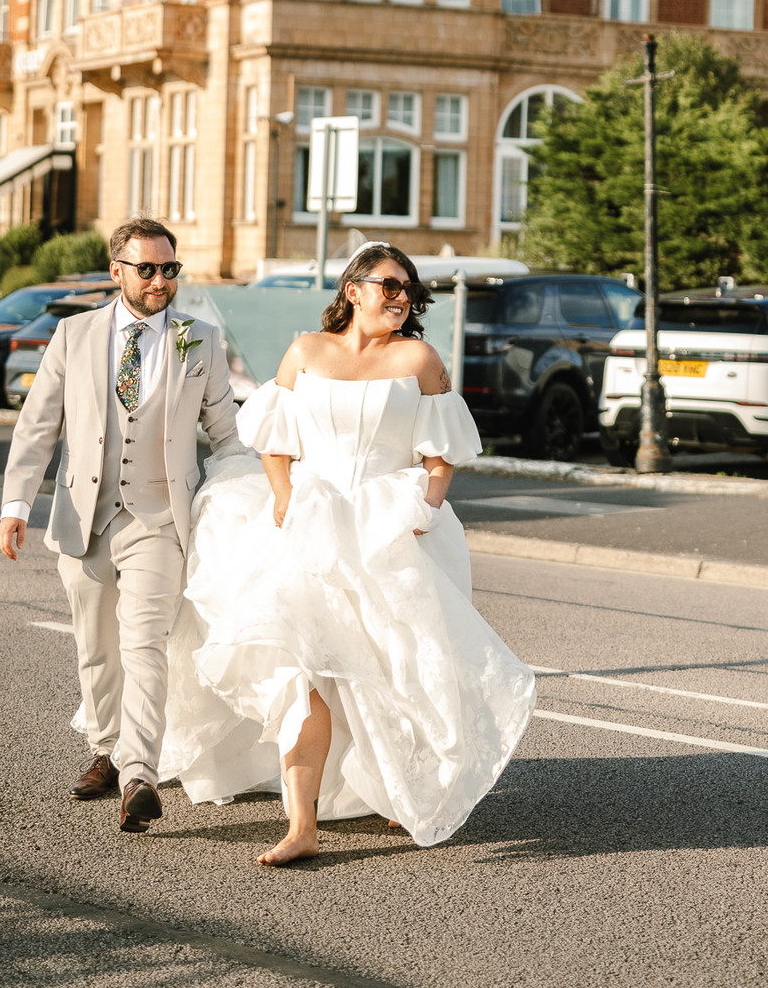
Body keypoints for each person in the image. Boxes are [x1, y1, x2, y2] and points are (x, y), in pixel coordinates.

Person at [160, 241, 536, 864]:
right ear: (353, 289)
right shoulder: (306, 350)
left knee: (397, 665)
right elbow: (274, 441)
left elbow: (439, 456)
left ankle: (405, 788)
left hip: (393, 522)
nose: (400, 297)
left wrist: (426, 509)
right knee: (301, 670)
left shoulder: (419, 358)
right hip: (310, 519)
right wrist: (282, 498)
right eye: (388, 285)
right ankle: (300, 825)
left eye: (408, 289)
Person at [0, 217, 245, 834]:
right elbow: (37, 426)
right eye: (148, 269)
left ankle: (140, 773)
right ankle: (105, 751)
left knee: (143, 647)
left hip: (160, 520)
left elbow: (226, 435)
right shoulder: (74, 335)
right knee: (95, 648)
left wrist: (254, 495)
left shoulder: (201, 340)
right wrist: (15, 506)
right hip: (83, 515)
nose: (162, 280)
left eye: (170, 269)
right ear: (118, 272)